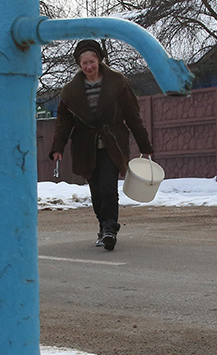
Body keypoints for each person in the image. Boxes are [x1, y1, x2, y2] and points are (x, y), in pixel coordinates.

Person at [50, 39, 154, 250]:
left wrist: (145, 145)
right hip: (85, 146)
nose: (89, 67)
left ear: (99, 60)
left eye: (92, 61)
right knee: (96, 191)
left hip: (112, 143)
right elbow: (63, 122)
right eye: (84, 63)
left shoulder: (118, 83)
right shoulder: (70, 92)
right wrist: (57, 147)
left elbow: (133, 116)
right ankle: (102, 226)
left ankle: (110, 228)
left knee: (108, 186)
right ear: (79, 65)